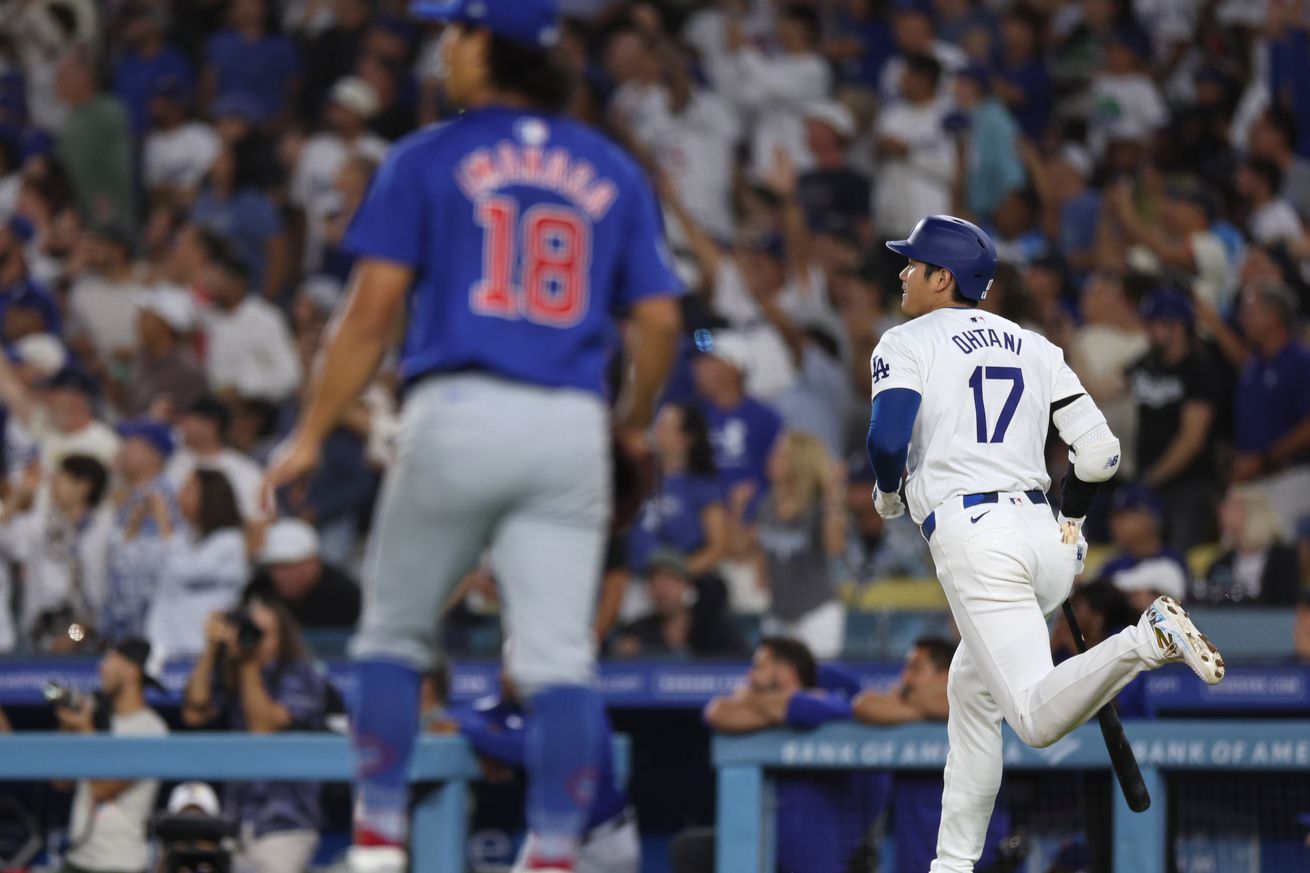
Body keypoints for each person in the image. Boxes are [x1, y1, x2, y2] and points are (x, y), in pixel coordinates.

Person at [260, 2, 683, 871]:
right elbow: (661, 321)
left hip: (458, 406)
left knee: (391, 637)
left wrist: (308, 433)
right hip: (569, 422)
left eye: (453, 31)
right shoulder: (611, 165)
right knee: (561, 662)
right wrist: (631, 424)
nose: (442, 46)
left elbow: (372, 312)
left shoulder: (429, 153)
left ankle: (377, 839)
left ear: (487, 43)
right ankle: (556, 851)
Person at [867, 214, 1224, 872]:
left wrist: (889, 494)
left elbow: (888, 442)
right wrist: (1073, 524)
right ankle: (952, 864)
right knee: (972, 694)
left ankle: (1146, 638)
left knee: (1031, 717)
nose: (902, 272)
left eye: (913, 264)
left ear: (942, 278)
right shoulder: (1033, 343)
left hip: (979, 537)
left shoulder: (905, 339)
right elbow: (1100, 453)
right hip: (1044, 531)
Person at [686, 638, 886, 873]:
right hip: (770, 849)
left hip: (821, 851)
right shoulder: (762, 708)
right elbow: (716, 712)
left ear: (785, 672)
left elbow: (804, 708)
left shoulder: (829, 701)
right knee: (691, 850)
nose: (749, 677)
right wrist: (774, 712)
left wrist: (752, 701)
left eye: (758, 666)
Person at [429, 655, 640, 873]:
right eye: (505, 669)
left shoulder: (579, 705)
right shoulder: (514, 705)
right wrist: (486, 746)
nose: (503, 678)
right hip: (547, 837)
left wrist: (483, 739)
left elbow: (529, 749)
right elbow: (458, 717)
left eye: (514, 670)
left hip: (601, 842)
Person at [181, 597, 327, 873]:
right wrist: (211, 650)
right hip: (236, 822)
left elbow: (264, 728)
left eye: (263, 635)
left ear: (282, 639)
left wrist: (248, 663)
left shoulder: (300, 673)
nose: (254, 641)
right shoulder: (233, 672)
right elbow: (194, 712)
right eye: (250, 632)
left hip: (284, 823)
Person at [852, 638, 1011, 873]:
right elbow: (864, 705)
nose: (905, 678)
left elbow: (953, 703)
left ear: (946, 674)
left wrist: (906, 702)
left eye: (916, 669)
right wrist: (922, 710)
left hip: (982, 862)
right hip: (914, 861)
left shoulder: (985, 704)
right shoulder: (915, 702)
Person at [54, 638, 169, 873]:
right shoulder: (99, 720)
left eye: (109, 659)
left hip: (119, 863)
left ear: (132, 670)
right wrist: (68, 729)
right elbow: (61, 782)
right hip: (77, 858)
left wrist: (86, 731)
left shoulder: (152, 729)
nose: (101, 668)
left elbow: (103, 788)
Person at [735, 431, 847, 659]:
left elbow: (835, 548)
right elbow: (742, 551)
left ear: (798, 461)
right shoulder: (767, 504)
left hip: (817, 611)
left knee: (815, 679)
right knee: (772, 682)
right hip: (778, 612)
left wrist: (831, 496)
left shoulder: (817, 505)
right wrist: (738, 511)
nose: (771, 457)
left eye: (779, 454)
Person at [1126, 290, 1221, 550]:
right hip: (1151, 482)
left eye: (1154, 323)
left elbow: (1192, 439)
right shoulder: (1147, 364)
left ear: (1177, 327)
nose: (1149, 330)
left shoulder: (1200, 370)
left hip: (1189, 486)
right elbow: (1099, 388)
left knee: (1181, 557)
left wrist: (1151, 478)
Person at [0, 453, 111, 652]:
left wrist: (74, 637)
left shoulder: (104, 529)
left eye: (62, 477)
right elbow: (6, 539)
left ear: (84, 486)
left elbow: (101, 596)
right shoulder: (40, 522)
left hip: (90, 636)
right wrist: (17, 498)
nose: (53, 482)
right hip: (38, 633)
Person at [143, 468, 249, 664]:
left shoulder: (230, 541)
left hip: (202, 651)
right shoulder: (183, 536)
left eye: (189, 489)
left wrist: (164, 523)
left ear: (211, 496)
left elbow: (186, 571)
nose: (179, 495)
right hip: (163, 648)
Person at [627, 402, 728, 577]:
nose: (656, 432)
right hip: (634, 578)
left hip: (680, 583)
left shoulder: (702, 486)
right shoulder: (640, 478)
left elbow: (718, 546)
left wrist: (680, 574)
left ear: (686, 439)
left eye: (665, 427)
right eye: (657, 425)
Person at [612, 549, 744, 658]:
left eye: (669, 580)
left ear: (686, 585)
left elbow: (739, 663)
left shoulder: (714, 627)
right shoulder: (638, 631)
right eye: (654, 581)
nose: (660, 588)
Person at [1192, 486, 1303, 607]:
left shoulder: (1284, 558)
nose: (1222, 511)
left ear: (1254, 512)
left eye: (1231, 506)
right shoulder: (1221, 562)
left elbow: (1287, 604)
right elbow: (1210, 600)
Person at [244, 517, 361, 629]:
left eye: (287, 565)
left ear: (314, 562)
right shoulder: (259, 591)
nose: (279, 575)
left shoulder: (346, 597)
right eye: (272, 567)